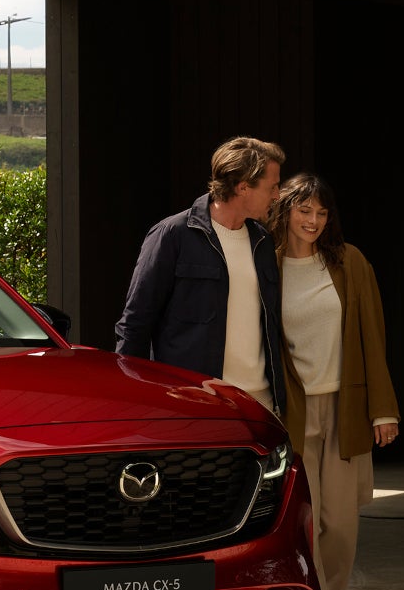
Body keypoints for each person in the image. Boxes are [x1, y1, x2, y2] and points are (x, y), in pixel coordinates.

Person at [268, 174, 400, 590]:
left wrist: (383, 409)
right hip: (294, 412)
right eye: (304, 210)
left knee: (340, 528)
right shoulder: (266, 265)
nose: (313, 221)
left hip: (346, 410)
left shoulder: (349, 262)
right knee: (303, 526)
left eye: (321, 213)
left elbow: (373, 336)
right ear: (285, 210)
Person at [115, 137, 289, 415]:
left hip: (261, 404)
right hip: (196, 404)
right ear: (243, 187)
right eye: (272, 186)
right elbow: (135, 324)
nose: (277, 195)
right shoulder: (172, 235)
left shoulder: (262, 241)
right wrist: (132, 401)